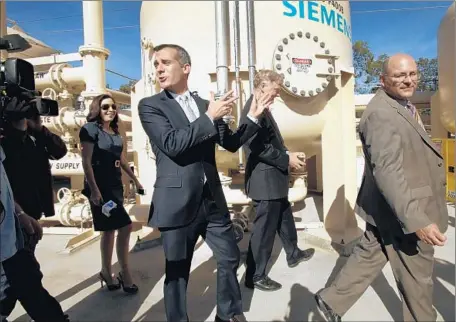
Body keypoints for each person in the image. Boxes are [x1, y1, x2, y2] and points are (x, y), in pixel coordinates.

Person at [138, 44, 272, 322]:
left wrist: (253, 116)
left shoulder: (202, 105)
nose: (159, 69)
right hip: (175, 203)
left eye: (165, 63)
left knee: (229, 257)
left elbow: (232, 143)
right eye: (156, 65)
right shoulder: (150, 106)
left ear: (185, 67)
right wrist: (210, 116)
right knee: (177, 273)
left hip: (211, 201)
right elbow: (173, 145)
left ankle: (229, 314)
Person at [315, 53, 449, 322]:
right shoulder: (381, 114)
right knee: (417, 279)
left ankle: (331, 301)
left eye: (412, 74)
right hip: (406, 211)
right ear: (383, 80)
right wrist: (417, 220)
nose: (408, 80)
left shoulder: (401, 106)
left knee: (370, 253)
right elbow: (388, 171)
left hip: (385, 207)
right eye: (400, 76)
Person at [240, 70, 315, 292]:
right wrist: (286, 158)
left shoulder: (263, 107)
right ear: (261, 87)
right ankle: (255, 275)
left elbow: (271, 142)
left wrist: (287, 153)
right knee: (263, 232)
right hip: (265, 183)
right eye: (274, 91)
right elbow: (255, 146)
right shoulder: (252, 111)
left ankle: (293, 253)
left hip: (274, 180)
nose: (276, 96)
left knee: (284, 217)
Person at [80, 94, 143, 294]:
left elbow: (121, 159)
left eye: (114, 107)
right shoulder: (89, 129)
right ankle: (124, 272)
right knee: (126, 226)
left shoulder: (114, 132)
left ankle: (106, 272)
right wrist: (95, 190)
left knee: (108, 231)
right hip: (100, 188)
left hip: (114, 187)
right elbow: (86, 162)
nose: (110, 110)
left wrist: (135, 180)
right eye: (105, 106)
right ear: (97, 108)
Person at [1, 107, 67, 253]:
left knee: (27, 258)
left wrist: (40, 129)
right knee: (23, 265)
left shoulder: (35, 136)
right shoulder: (6, 138)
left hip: (32, 208)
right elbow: (15, 157)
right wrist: (20, 213)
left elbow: (60, 151)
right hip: (13, 210)